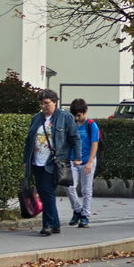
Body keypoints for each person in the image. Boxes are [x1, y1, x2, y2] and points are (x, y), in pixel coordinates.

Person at [22, 89, 80, 236]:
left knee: (47, 192)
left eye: (46, 103)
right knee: (44, 193)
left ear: (55, 102)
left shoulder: (65, 117)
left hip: (53, 162)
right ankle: (55, 224)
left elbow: (75, 138)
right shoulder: (36, 118)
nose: (43, 106)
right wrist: (25, 161)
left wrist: (77, 157)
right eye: (41, 103)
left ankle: (47, 224)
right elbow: (29, 141)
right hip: (36, 162)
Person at [66, 98, 100, 228]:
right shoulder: (72, 124)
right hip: (73, 160)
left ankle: (85, 215)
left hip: (87, 160)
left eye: (79, 115)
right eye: (75, 115)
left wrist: (90, 162)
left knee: (86, 189)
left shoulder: (91, 125)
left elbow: (94, 144)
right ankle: (77, 209)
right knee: (69, 187)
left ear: (85, 112)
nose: (77, 118)